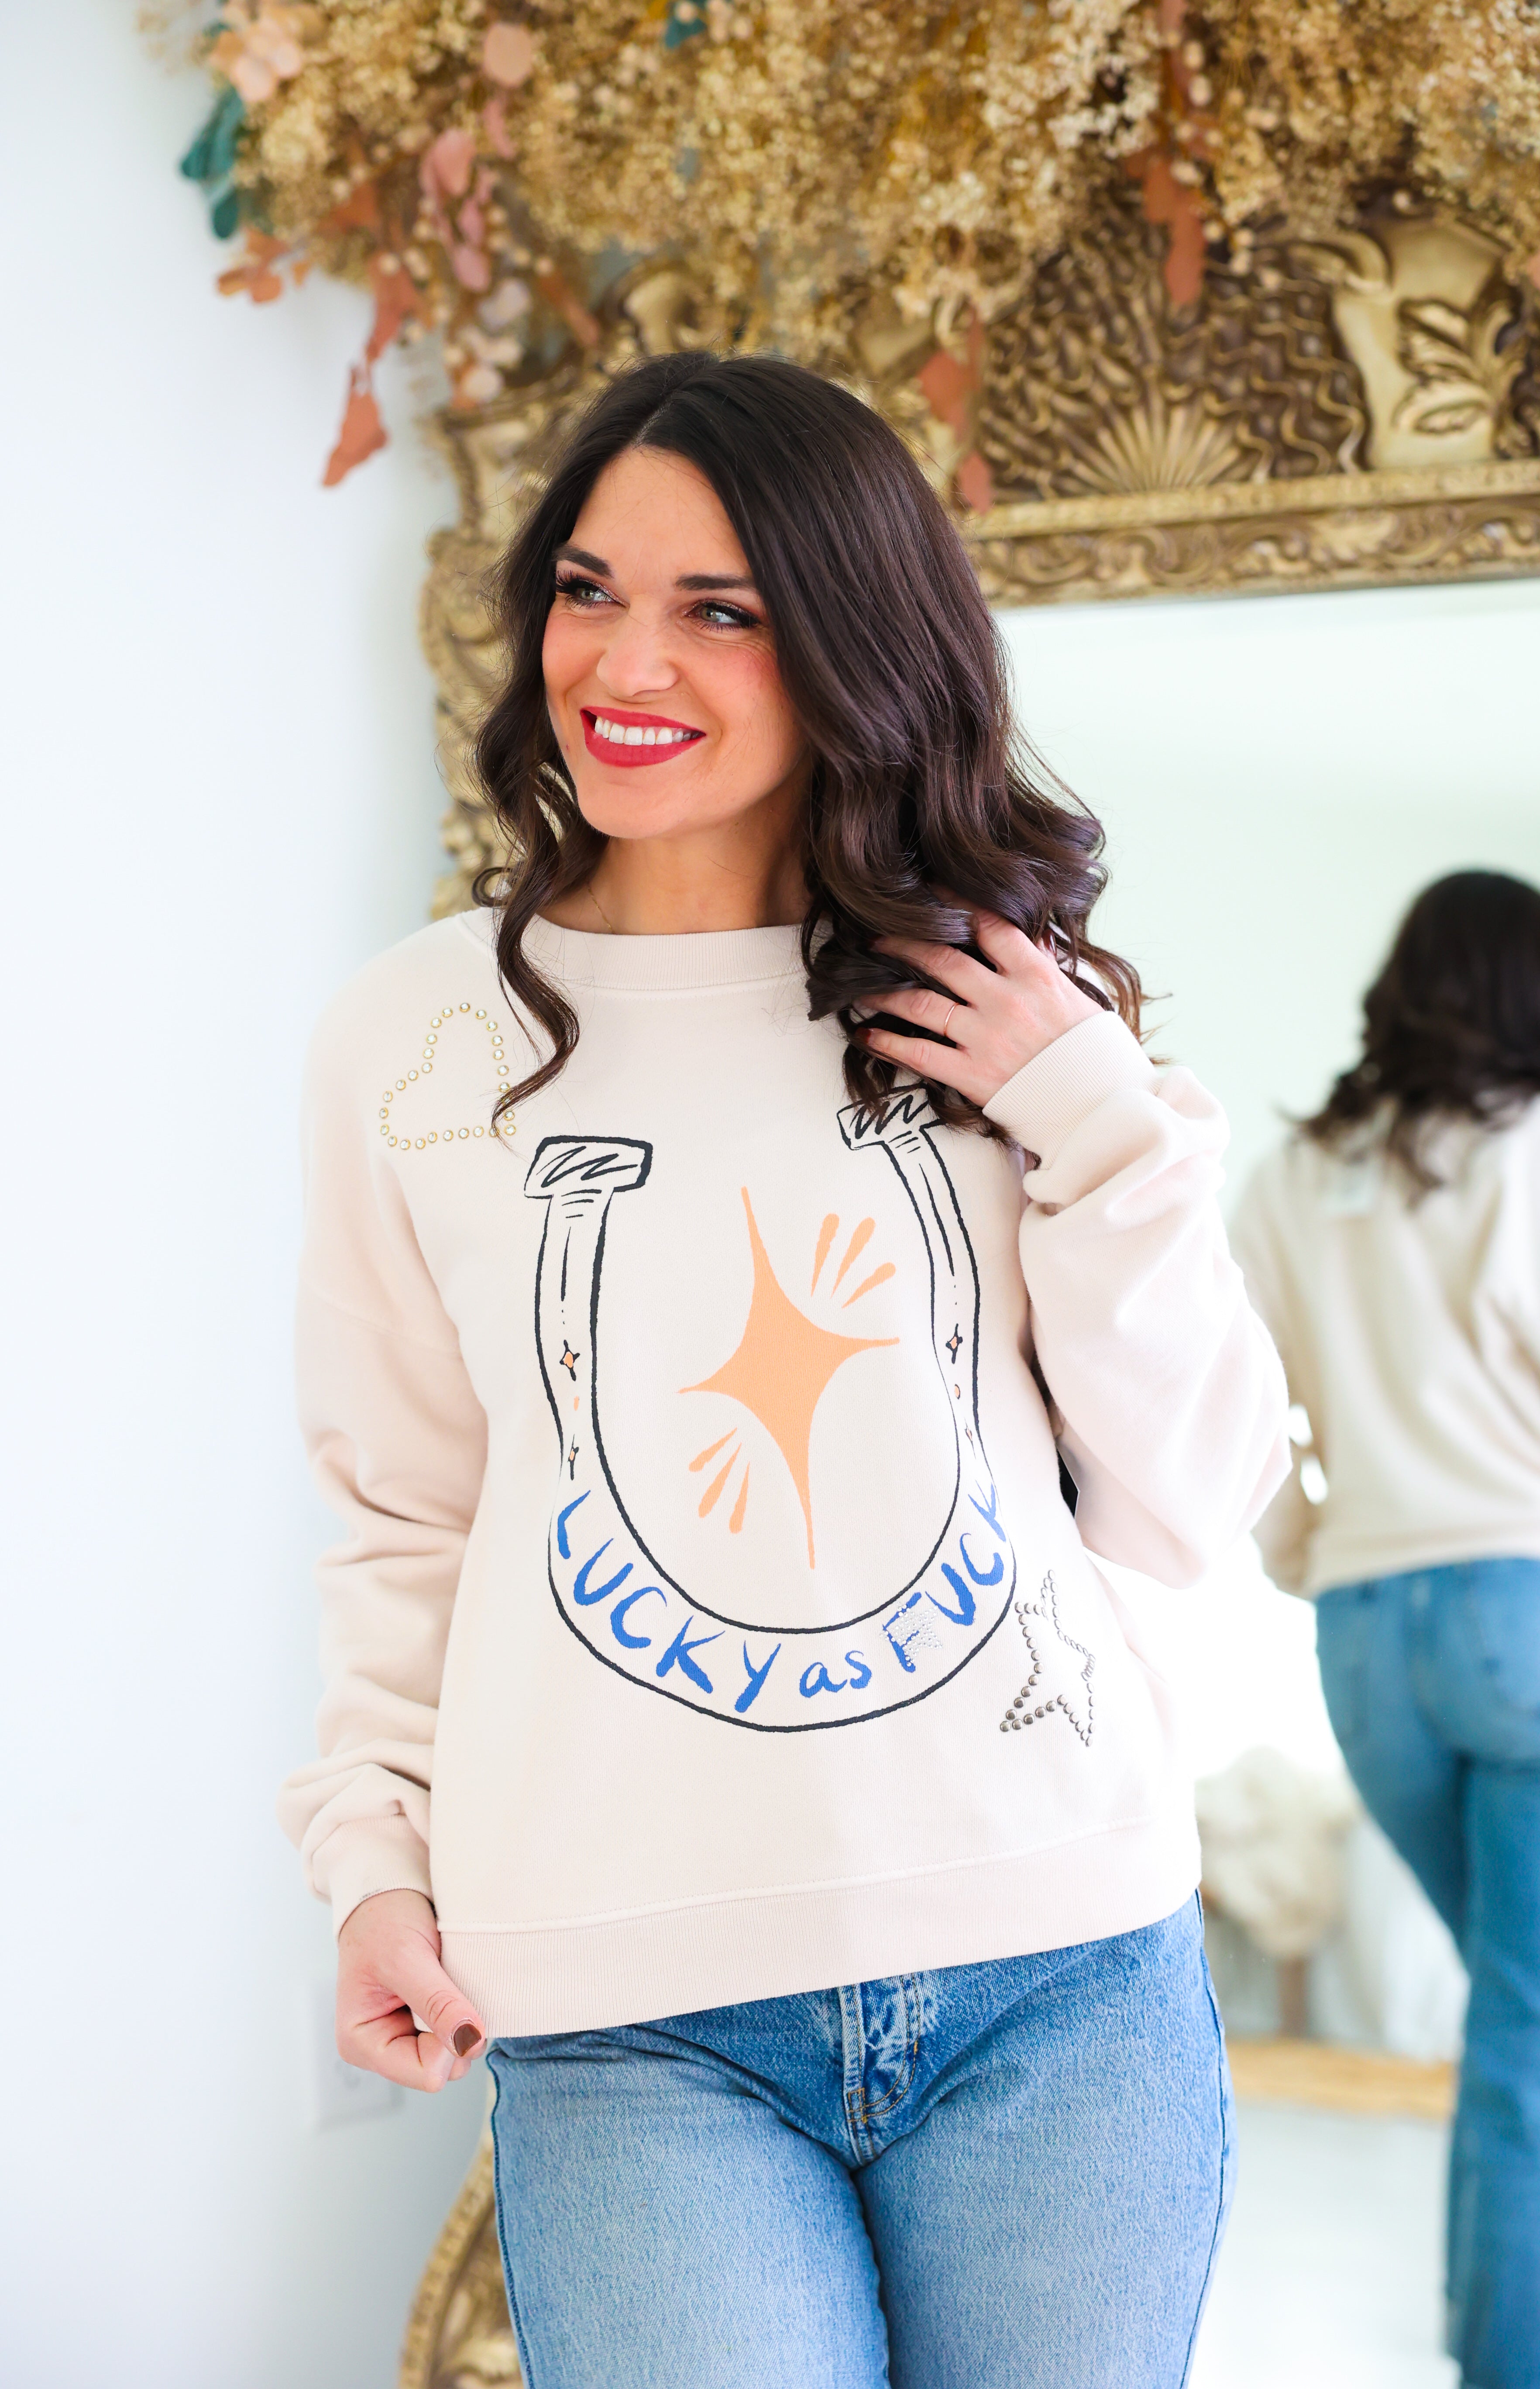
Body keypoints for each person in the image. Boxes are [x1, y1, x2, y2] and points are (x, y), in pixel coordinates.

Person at [280, 351, 1287, 2389]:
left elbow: (1197, 1495)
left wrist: (1097, 1116)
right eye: (589, 590)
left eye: (719, 610)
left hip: (1057, 1967)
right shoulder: (418, 1039)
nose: (625, 661)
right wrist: (371, 1862)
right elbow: (404, 1513)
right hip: (631, 2014)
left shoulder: (1005, 1009)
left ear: (850, 644)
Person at [1232, 871, 1540, 2389]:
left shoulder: (1293, 1176)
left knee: (1530, 2025)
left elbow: (1234, 1412)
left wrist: (1306, 1554)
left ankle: (1493, 2337)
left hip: (1370, 1641)